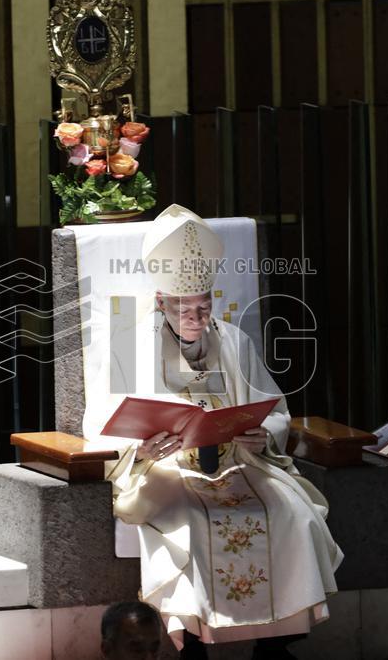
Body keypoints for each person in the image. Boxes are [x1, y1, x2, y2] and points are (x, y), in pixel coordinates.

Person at [82, 205, 343, 657]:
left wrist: (264, 434)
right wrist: (139, 448)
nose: (197, 318)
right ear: (162, 301)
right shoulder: (129, 343)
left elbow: (275, 409)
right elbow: (100, 424)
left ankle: (275, 643)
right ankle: (195, 646)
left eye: (204, 307)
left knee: (292, 515)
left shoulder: (234, 340)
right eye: (184, 309)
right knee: (190, 523)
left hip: (238, 464)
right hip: (166, 470)